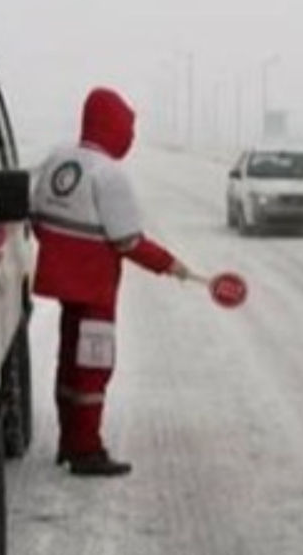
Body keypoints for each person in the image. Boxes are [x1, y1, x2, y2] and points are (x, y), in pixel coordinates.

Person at [29, 87, 193, 477]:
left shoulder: (56, 159)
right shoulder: (109, 175)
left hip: (63, 284)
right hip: (95, 289)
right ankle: (86, 450)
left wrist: (61, 253)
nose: (130, 136)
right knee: (93, 368)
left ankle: (69, 441)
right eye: (128, 127)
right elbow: (128, 240)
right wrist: (170, 265)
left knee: (69, 362)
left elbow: (37, 215)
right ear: (114, 126)